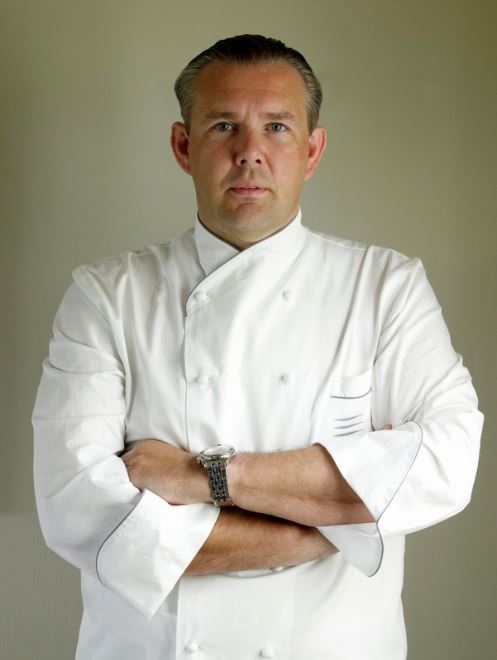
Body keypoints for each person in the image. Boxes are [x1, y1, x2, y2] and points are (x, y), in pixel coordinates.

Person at [32, 34, 483, 660]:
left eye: (276, 126)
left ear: (311, 150)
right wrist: (329, 527)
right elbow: (79, 511)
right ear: (183, 146)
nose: (250, 152)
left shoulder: (385, 287)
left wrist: (201, 476)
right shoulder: (106, 297)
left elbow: (448, 462)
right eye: (224, 126)